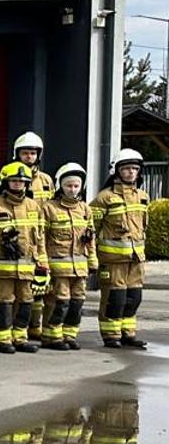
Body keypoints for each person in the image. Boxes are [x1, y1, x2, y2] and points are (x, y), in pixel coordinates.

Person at [0, 163, 46, 354]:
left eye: (22, 181)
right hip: (1, 269)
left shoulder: (34, 206)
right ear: (5, 182)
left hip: (27, 268)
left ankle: (20, 338)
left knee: (25, 302)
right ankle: (2, 339)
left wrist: (43, 262)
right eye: (14, 181)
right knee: (3, 303)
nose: (18, 184)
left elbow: (39, 237)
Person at [91, 148, 149, 349]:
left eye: (135, 168)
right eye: (126, 169)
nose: (131, 172)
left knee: (134, 298)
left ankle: (128, 334)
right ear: (117, 171)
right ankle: (111, 335)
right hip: (112, 260)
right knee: (114, 299)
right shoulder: (104, 198)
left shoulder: (142, 196)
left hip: (136, 259)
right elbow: (91, 230)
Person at [39, 162, 94, 350]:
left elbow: (90, 237)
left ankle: (69, 335)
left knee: (77, 302)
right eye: (68, 185)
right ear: (60, 186)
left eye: (76, 186)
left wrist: (92, 260)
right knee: (59, 302)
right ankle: (51, 336)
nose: (72, 189)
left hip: (80, 268)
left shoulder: (86, 209)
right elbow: (41, 238)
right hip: (58, 267)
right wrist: (42, 262)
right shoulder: (49, 208)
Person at [12, 132, 55, 201]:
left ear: (38, 156)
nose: (29, 156)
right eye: (25, 153)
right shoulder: (6, 178)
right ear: (17, 154)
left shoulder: (46, 179)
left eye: (33, 153)